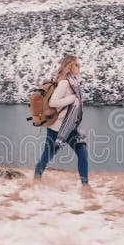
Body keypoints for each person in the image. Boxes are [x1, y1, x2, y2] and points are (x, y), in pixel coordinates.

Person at [33, 54, 89, 186]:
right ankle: (35, 181)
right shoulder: (64, 83)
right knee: (46, 157)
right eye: (76, 64)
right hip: (57, 129)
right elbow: (53, 102)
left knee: (83, 153)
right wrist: (71, 99)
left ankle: (85, 186)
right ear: (69, 66)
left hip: (71, 127)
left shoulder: (74, 82)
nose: (79, 67)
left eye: (79, 64)